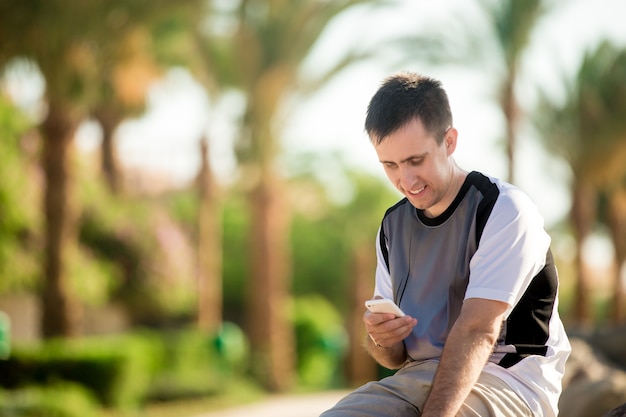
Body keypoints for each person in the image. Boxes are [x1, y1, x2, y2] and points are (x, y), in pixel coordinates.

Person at [320, 72, 570, 417]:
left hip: (508, 381)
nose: (405, 180)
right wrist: (383, 339)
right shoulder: (393, 227)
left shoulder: (503, 209)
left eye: (415, 161)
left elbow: (478, 330)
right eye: (389, 165)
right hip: (418, 377)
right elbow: (394, 358)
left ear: (449, 141)